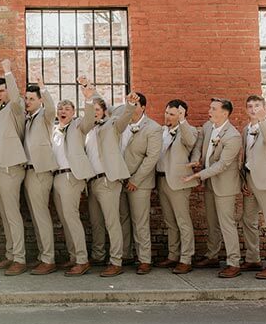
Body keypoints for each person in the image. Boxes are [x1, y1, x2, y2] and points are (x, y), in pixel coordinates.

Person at [81, 78, 136, 277]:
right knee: (96, 222)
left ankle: (116, 261)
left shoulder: (112, 125)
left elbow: (125, 118)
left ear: (104, 111)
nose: (95, 112)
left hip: (107, 180)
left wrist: (130, 104)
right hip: (92, 182)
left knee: (112, 222)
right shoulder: (86, 130)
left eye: (98, 109)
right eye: (92, 109)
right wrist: (87, 90)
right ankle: (98, 255)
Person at [185, 98, 242, 278]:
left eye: (213, 108)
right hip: (210, 182)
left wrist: (198, 175)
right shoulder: (208, 127)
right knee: (211, 222)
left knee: (227, 224)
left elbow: (223, 165)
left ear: (224, 113)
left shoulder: (233, 136)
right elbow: (198, 146)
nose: (209, 111)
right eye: (210, 107)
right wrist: (196, 160)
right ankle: (212, 255)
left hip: (224, 186)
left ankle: (234, 262)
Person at [49, 79, 96, 276]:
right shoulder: (53, 129)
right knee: (64, 219)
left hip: (72, 176)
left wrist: (89, 99)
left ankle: (83, 259)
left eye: (67, 108)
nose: (62, 110)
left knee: (72, 218)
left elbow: (90, 120)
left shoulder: (78, 125)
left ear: (73, 112)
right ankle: (73, 257)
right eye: (60, 107)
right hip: (56, 177)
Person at [0, 59, 28, 276]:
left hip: (12, 168)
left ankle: (20, 258)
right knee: (5, 214)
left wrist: (8, 72)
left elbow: (15, 97)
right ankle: (11, 253)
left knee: (13, 214)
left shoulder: (15, 107)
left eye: (2, 90)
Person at [117, 92, 162, 275]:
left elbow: (152, 158)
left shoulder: (153, 128)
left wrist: (135, 180)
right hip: (119, 179)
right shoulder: (121, 124)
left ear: (143, 107)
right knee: (123, 219)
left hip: (140, 182)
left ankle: (144, 259)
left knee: (140, 222)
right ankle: (125, 254)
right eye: (129, 103)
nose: (131, 107)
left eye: (134, 104)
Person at [240, 95, 266, 279]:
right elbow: (246, 157)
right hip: (249, 180)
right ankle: (253, 258)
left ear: (264, 107)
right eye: (249, 106)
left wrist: (262, 120)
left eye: (257, 106)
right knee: (248, 220)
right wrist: (243, 180)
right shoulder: (245, 129)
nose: (253, 109)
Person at [154, 99, 199, 274]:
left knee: (183, 221)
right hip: (161, 180)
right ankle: (173, 255)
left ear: (182, 115)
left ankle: (186, 258)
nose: (167, 116)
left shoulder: (189, 131)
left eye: (172, 114)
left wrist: (182, 121)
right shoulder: (161, 131)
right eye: (166, 112)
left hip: (179, 182)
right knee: (170, 221)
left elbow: (189, 142)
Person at [21, 78, 58, 275]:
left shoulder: (45, 115)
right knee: (35, 217)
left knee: (41, 216)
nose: (27, 102)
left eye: (31, 99)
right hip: (27, 171)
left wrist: (43, 87)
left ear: (40, 100)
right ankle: (43, 256)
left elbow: (52, 107)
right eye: (25, 98)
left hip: (40, 171)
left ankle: (48, 259)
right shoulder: (27, 118)